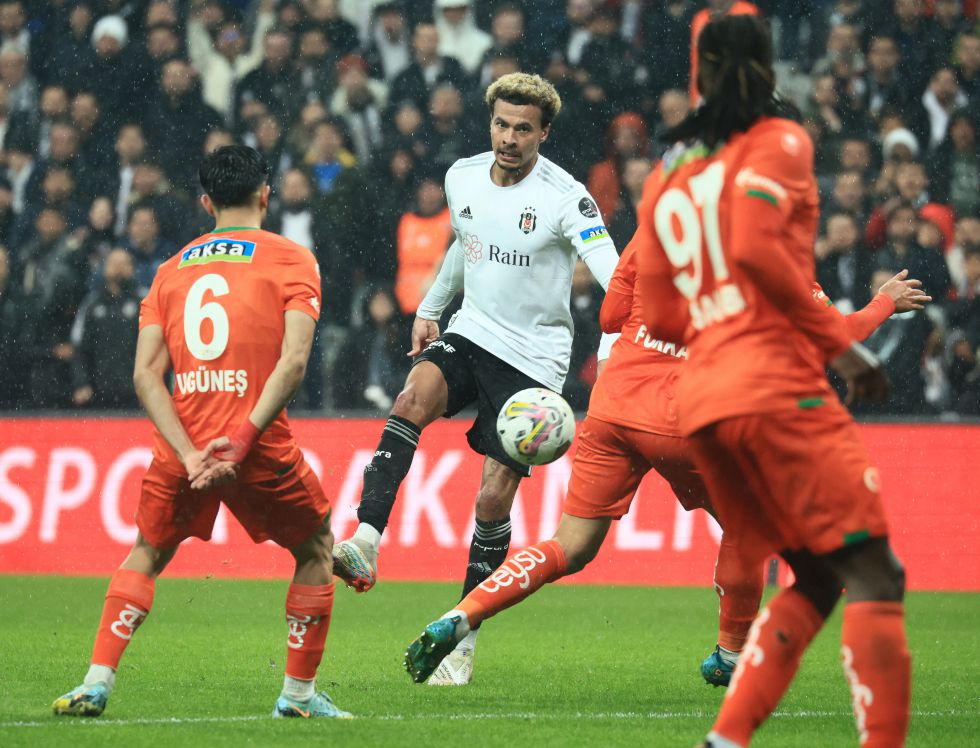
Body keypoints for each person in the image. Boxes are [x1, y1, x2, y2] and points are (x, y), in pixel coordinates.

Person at [402, 235, 929, 690]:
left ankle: (463, 615)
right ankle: (731, 653)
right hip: (689, 415)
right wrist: (884, 302)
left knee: (568, 545)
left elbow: (610, 317)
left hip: (615, 404)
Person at [635, 16, 910, 746]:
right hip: (774, 386)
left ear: (700, 73)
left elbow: (660, 313)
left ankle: (723, 740)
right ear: (768, 67)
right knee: (876, 574)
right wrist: (842, 349)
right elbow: (757, 245)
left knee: (816, 576)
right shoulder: (780, 141)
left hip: (702, 402)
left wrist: (719, 316)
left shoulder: (667, 174)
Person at [332, 72, 619, 685]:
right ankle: (366, 538)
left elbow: (615, 277)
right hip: (473, 331)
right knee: (411, 397)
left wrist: (616, 347)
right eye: (501, 125)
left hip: (534, 361)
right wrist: (431, 308)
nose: (509, 138)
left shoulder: (568, 199)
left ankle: (463, 636)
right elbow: (465, 245)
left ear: (544, 133)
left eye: (523, 129)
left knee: (492, 499)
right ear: (489, 122)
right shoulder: (461, 176)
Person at [52, 145, 350, 720]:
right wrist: (242, 439)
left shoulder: (169, 270)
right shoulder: (292, 259)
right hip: (257, 445)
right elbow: (293, 363)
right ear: (265, 195)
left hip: (183, 447)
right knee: (317, 549)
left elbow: (145, 375)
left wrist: (189, 454)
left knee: (147, 552)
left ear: (206, 203)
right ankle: (297, 697)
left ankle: (96, 682)